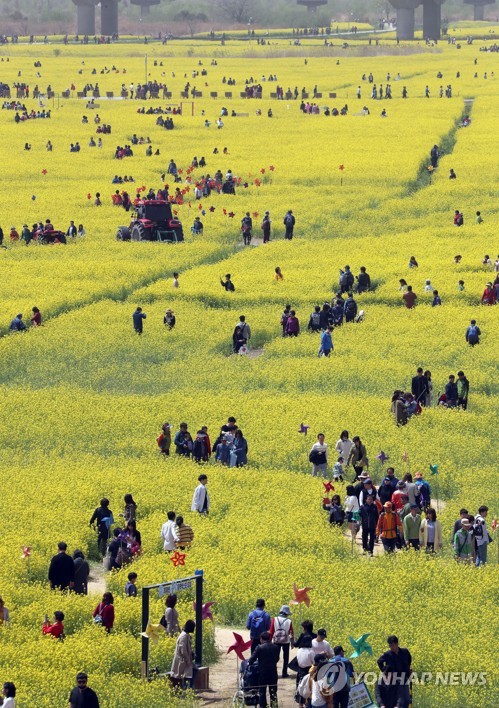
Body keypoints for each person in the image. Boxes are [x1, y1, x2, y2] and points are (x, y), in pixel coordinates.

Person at [377, 636, 412, 708]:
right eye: (390, 646)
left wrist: (408, 668)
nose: (391, 647)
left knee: (407, 700)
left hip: (403, 677)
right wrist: (385, 671)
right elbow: (379, 661)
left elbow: (409, 659)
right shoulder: (387, 654)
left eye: (392, 645)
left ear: (397, 644)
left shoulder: (405, 652)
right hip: (393, 679)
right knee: (398, 699)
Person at [248, 631, 280, 708]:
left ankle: (263, 706)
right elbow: (277, 659)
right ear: (269, 638)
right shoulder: (276, 647)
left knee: (262, 692)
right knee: (273, 692)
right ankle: (274, 706)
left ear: (261, 639)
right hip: (273, 672)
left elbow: (252, 659)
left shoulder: (259, 647)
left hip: (263, 672)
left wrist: (249, 663)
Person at [270, 605, 294, 678]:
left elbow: (271, 631)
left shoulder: (274, 619)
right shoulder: (289, 621)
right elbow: (291, 633)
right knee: (286, 658)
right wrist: (292, 642)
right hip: (286, 641)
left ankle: (273, 672)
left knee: (275, 657)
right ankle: (284, 673)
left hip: (276, 641)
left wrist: (269, 640)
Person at [171, 620, 196, 689]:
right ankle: (186, 689)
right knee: (181, 676)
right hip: (182, 661)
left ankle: (187, 689)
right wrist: (188, 660)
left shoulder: (185, 635)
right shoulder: (184, 636)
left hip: (184, 661)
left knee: (188, 674)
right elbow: (183, 650)